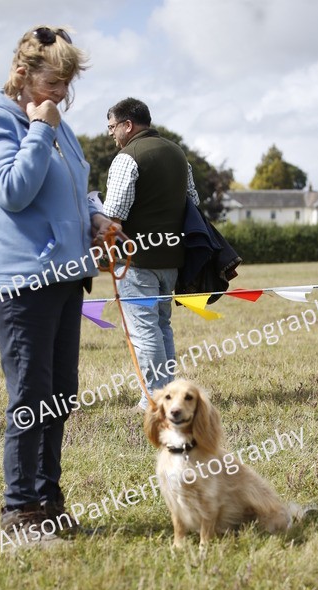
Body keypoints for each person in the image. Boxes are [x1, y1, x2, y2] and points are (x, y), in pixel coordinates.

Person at [0, 26, 118, 545]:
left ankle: (49, 502)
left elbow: (77, 187)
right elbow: (11, 190)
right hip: (19, 279)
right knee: (31, 396)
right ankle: (19, 512)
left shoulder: (53, 122)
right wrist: (41, 130)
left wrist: (96, 218)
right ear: (23, 73)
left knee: (60, 395)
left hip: (64, 276)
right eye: (55, 81)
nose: (62, 95)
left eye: (68, 84)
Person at [102, 98, 200, 412]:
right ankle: (169, 393)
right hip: (172, 257)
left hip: (136, 260)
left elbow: (113, 213)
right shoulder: (178, 154)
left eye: (112, 127)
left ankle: (155, 399)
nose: (111, 135)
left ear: (128, 125)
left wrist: (104, 253)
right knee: (162, 326)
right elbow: (193, 202)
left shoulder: (127, 157)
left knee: (144, 330)